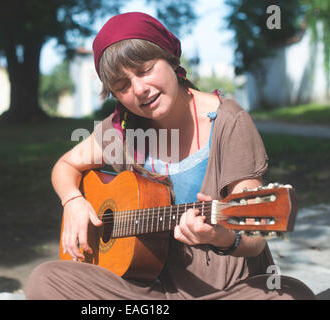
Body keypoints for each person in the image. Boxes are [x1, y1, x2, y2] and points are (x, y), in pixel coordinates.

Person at [25, 12, 315, 300]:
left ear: (170, 60)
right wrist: (72, 200)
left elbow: (254, 238)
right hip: (147, 290)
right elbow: (65, 166)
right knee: (45, 281)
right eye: (122, 86)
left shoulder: (228, 122)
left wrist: (220, 236)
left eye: (145, 70)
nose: (139, 89)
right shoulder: (122, 130)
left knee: (289, 295)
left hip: (226, 290)